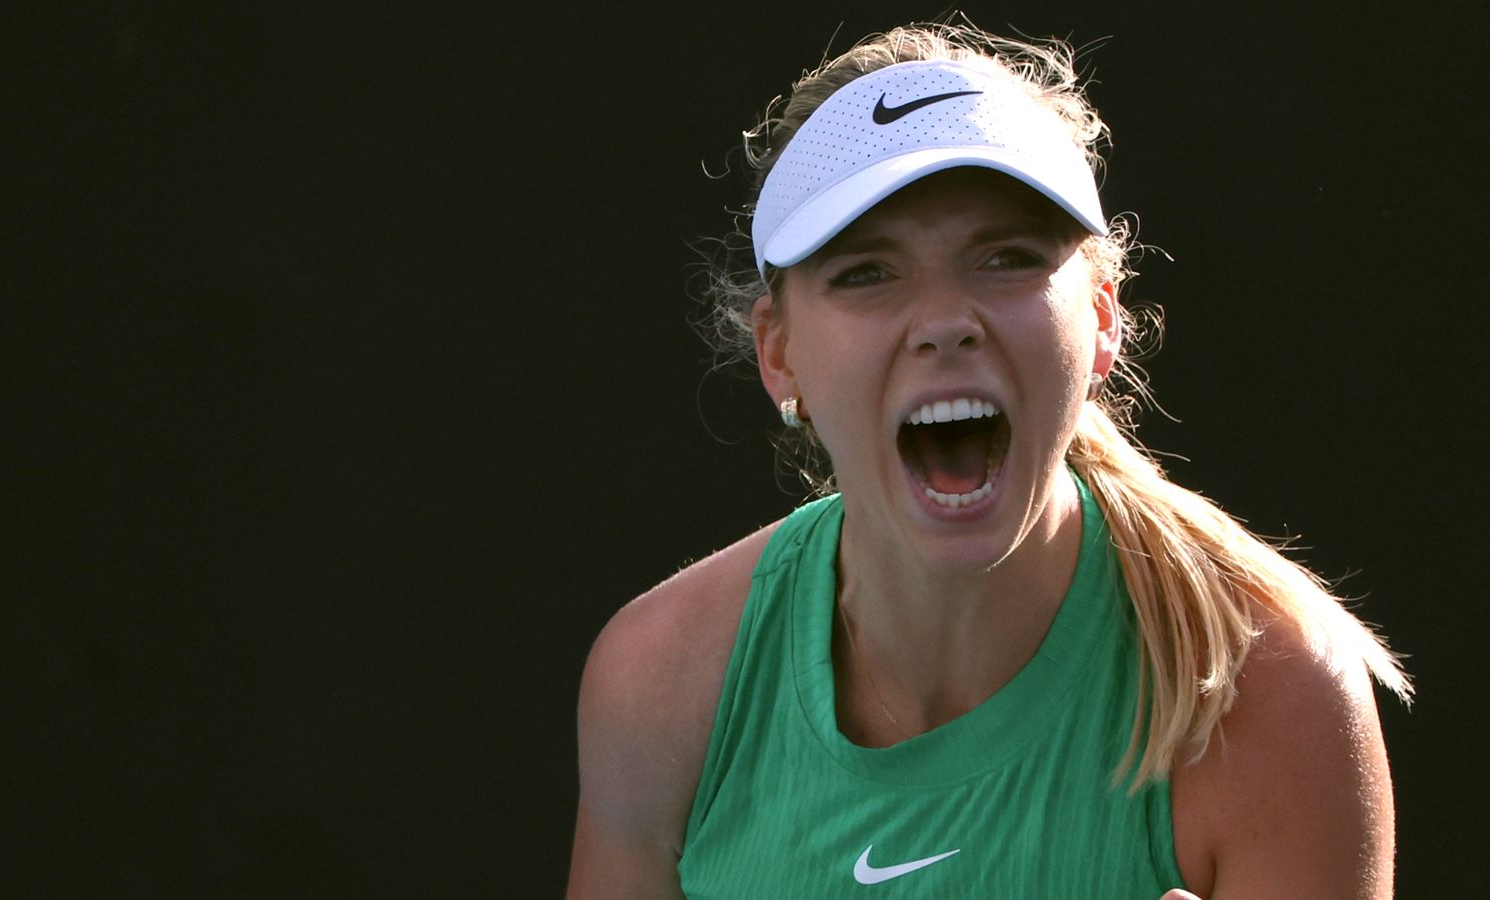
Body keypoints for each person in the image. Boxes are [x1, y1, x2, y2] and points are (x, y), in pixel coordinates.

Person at [566, 20, 1410, 900]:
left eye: (1005, 258)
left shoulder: (1274, 696)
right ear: (779, 354)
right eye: (866, 272)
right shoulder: (659, 684)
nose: (944, 320)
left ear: (1103, 319)